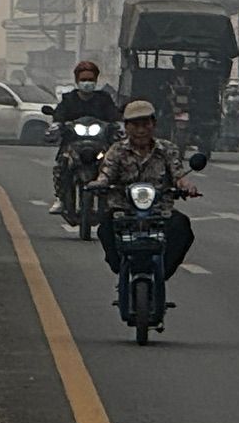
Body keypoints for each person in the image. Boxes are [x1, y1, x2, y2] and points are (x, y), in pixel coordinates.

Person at [92, 100, 198, 280]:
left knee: (182, 227)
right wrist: (99, 184)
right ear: (126, 127)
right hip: (123, 209)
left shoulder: (167, 149)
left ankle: (162, 274)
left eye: (145, 124)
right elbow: (106, 174)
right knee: (105, 228)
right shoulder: (117, 150)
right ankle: (120, 267)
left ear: (153, 124)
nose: (141, 130)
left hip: (159, 210)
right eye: (135, 125)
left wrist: (187, 186)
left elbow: (178, 175)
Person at [48, 60, 124, 215]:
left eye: (90, 79)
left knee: (114, 164)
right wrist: (57, 125)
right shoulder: (69, 99)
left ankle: (113, 199)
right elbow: (59, 116)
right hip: (73, 144)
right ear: (77, 81)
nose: (87, 83)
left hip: (100, 144)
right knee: (62, 163)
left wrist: (117, 125)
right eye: (83, 79)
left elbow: (114, 116)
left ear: (96, 80)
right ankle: (61, 198)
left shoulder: (104, 99)